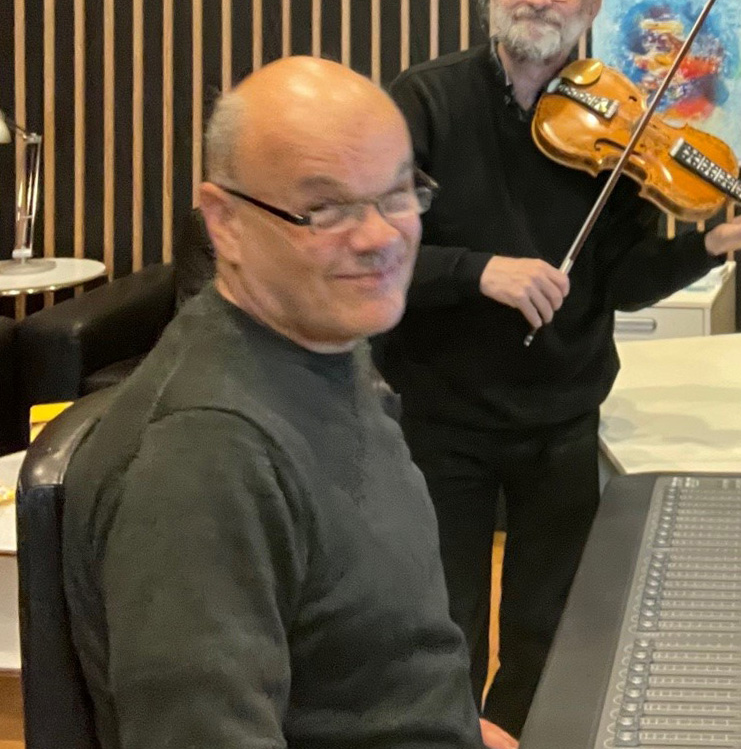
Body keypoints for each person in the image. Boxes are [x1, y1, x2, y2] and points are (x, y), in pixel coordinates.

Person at [377, 0, 741, 735]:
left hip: (562, 417)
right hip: (443, 417)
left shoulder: (624, 121)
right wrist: (477, 269)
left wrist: (710, 243)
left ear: (592, 2)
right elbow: (378, 248)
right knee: (443, 625)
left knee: (548, 628)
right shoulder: (425, 99)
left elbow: (623, 283)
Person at [62, 57, 516, 749]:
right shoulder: (205, 458)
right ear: (225, 221)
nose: (379, 236)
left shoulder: (326, 342)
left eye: (398, 194)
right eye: (326, 209)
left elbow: (351, 660)